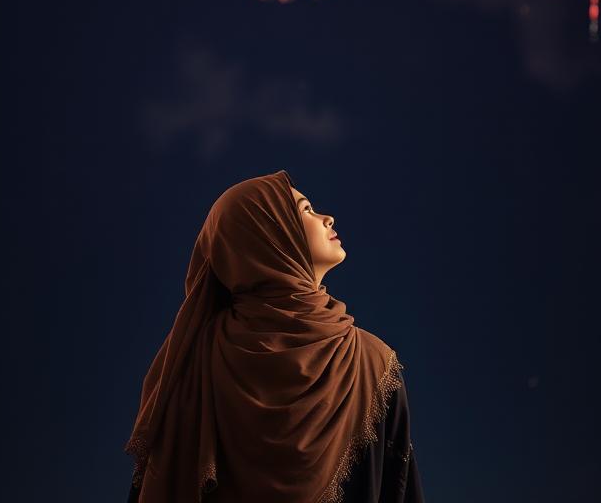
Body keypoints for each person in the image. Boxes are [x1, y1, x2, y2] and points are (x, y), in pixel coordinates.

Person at [124, 169, 425, 502]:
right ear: (269, 235)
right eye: (305, 210)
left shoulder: (373, 364)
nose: (327, 218)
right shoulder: (197, 365)